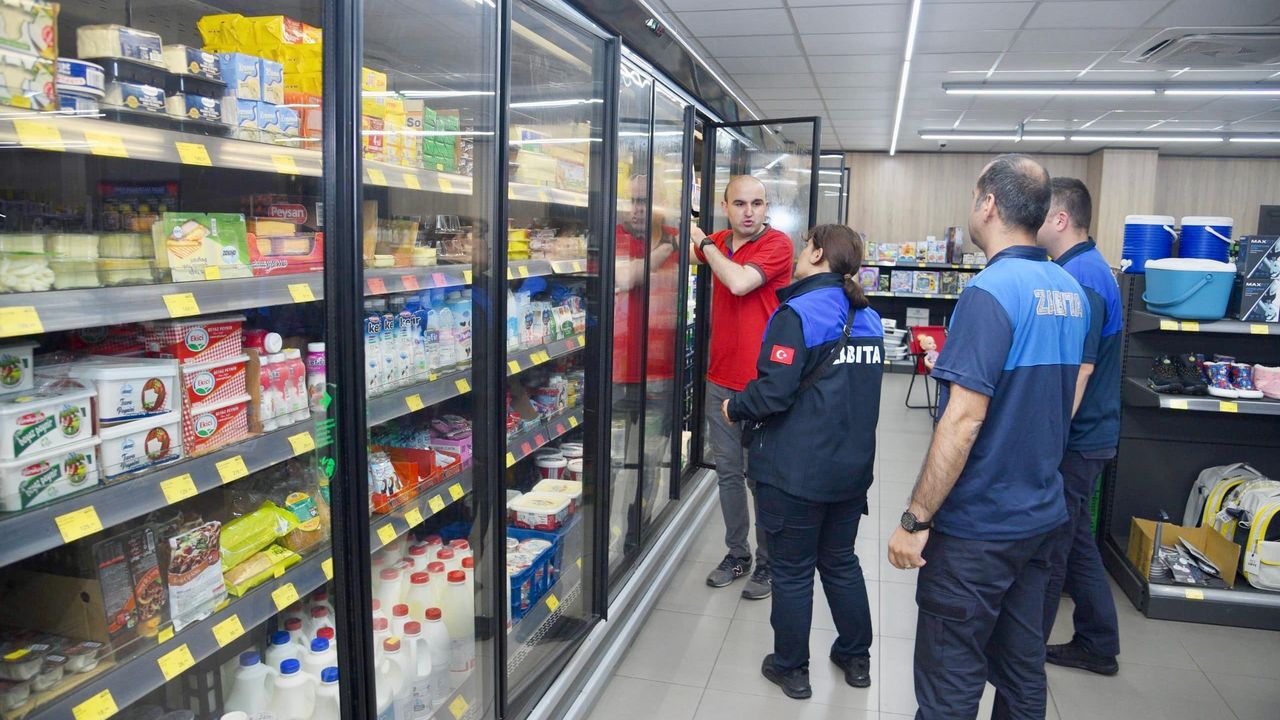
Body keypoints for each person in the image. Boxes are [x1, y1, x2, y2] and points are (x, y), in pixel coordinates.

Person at [886, 154, 1090, 719]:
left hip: (979, 529)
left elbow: (963, 419)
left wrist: (915, 520)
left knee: (951, 682)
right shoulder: (1069, 290)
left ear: (989, 205)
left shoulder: (991, 290)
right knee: (1023, 676)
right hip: (1040, 516)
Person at [723, 224, 883, 699]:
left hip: (797, 472)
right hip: (850, 471)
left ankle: (791, 667)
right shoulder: (867, 316)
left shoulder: (797, 312)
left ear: (815, 252)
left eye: (805, 244)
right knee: (839, 562)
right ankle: (856, 657)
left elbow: (773, 392)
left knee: (792, 571)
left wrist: (735, 406)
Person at [691, 175, 795, 600]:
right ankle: (738, 554)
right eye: (740, 203)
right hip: (720, 380)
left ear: (766, 206)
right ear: (725, 206)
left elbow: (738, 282)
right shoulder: (716, 240)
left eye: (757, 203)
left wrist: (706, 243)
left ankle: (769, 563)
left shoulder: (778, 245)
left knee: (761, 479)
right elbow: (682, 242)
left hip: (761, 386)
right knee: (729, 476)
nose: (749, 211)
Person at [1035, 177, 1123, 677]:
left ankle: (1026, 649)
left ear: (1061, 219)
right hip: (1092, 436)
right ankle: (1098, 640)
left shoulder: (1083, 279)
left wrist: (1049, 439)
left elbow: (1081, 370)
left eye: (1040, 214)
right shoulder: (1082, 267)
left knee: (1053, 548)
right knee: (1077, 539)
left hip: (1079, 437)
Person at [611, 173, 680, 557]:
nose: (637, 209)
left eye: (645, 201)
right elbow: (624, 278)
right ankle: (602, 541)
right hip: (617, 374)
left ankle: (637, 537)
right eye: (632, 200)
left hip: (662, 377)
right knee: (613, 462)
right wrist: (661, 250)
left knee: (649, 462)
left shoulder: (677, 238)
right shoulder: (616, 237)